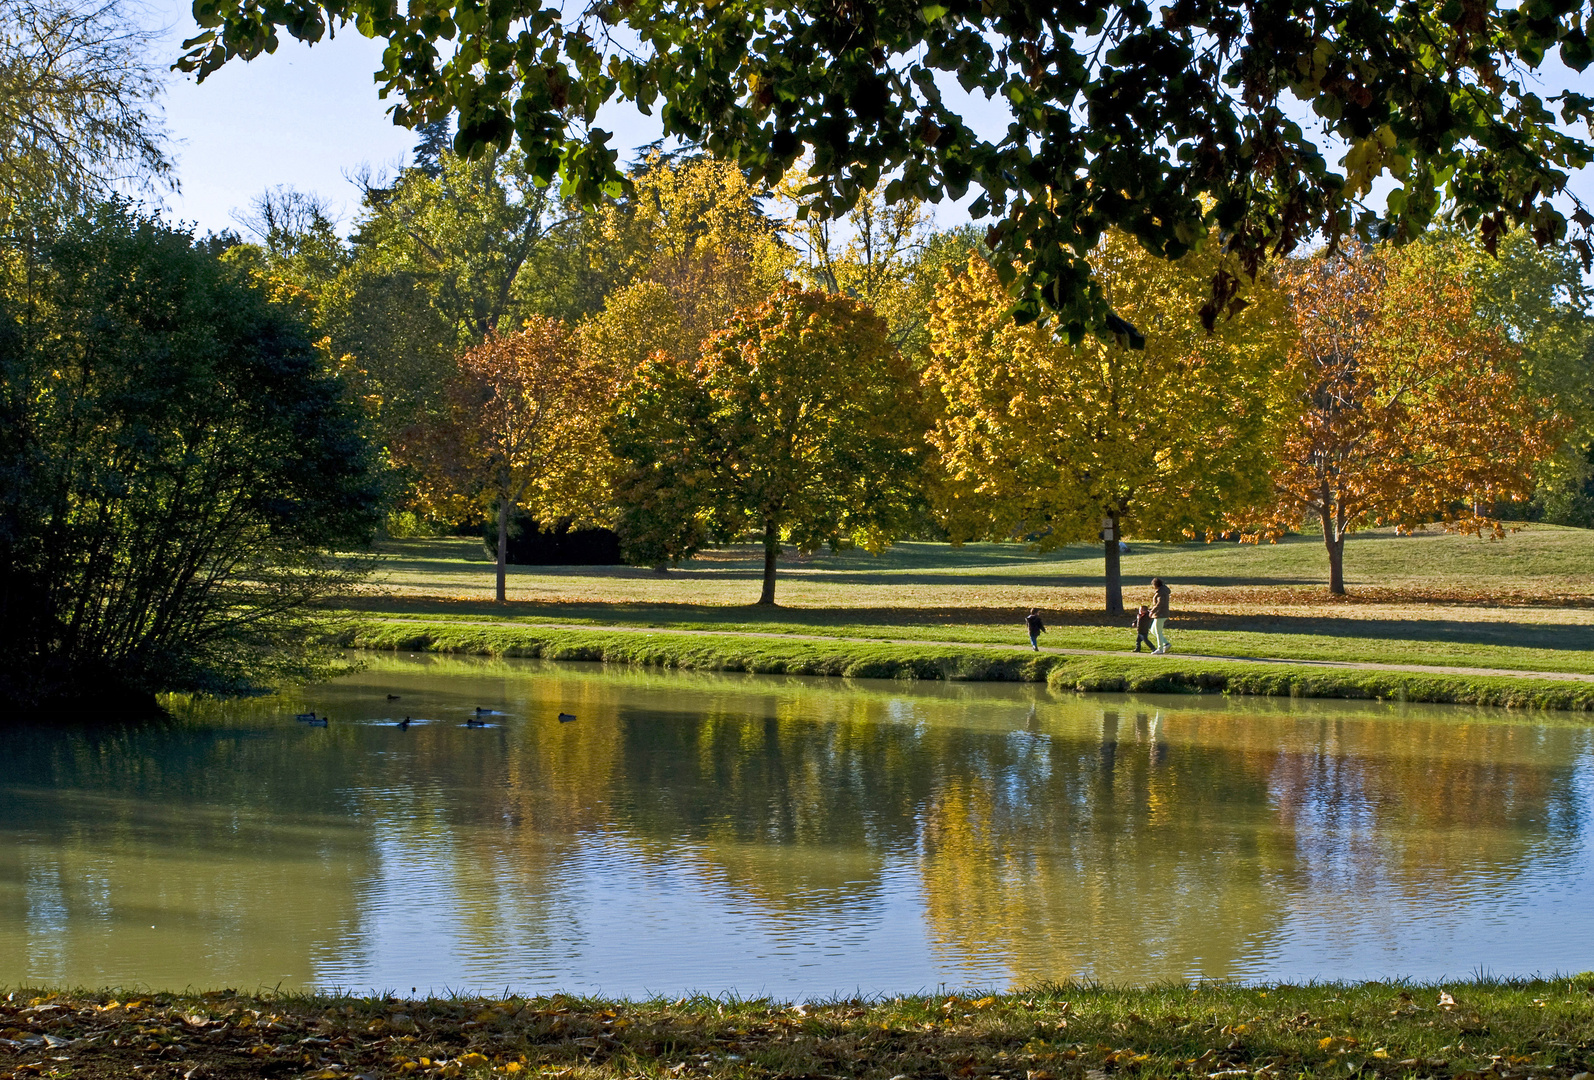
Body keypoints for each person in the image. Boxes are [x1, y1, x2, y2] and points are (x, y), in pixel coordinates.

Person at [1148, 578, 1172, 653]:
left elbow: (1160, 604)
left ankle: (1160, 649)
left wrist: (1152, 611)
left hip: (1161, 613)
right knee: (1153, 630)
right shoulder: (1163, 591)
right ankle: (1166, 643)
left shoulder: (1161, 592)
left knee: (1158, 631)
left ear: (1155, 585)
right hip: (1159, 613)